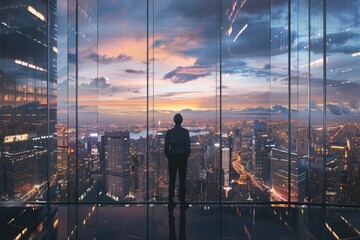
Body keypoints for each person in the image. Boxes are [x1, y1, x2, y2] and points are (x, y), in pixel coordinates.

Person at [164, 113, 191, 209]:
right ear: (181, 121)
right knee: (182, 179)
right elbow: (188, 147)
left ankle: (170, 201)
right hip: (182, 157)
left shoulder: (169, 132)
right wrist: (186, 156)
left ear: (174, 121)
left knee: (172, 180)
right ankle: (182, 202)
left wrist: (169, 157)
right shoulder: (185, 132)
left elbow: (166, 148)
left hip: (173, 157)